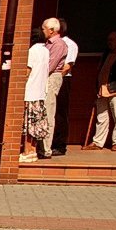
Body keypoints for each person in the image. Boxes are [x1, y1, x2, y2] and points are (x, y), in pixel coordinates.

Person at [20, 28, 50, 163]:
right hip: (41, 92)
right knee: (36, 123)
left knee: (28, 123)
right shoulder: (45, 51)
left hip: (30, 91)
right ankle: (33, 150)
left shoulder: (32, 51)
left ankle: (27, 152)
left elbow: (27, 70)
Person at [39, 17, 67, 158]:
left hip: (51, 77)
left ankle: (46, 149)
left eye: (44, 29)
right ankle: (42, 146)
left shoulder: (58, 44)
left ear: (51, 30)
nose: (42, 31)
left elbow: (50, 65)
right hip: (47, 77)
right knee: (43, 112)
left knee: (49, 112)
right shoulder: (48, 43)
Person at [52, 19, 78, 156]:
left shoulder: (70, 44)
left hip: (62, 79)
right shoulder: (50, 44)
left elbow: (68, 66)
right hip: (52, 79)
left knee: (60, 112)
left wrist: (55, 77)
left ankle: (60, 145)